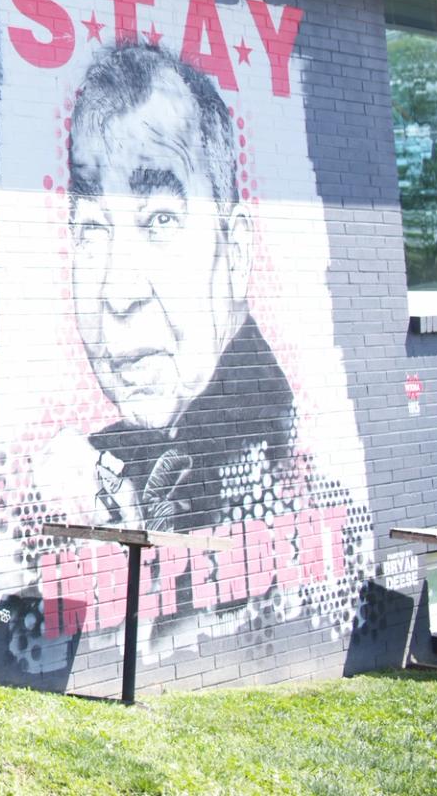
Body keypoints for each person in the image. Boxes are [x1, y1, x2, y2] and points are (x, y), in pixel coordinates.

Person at [56, 41, 295, 531]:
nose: (118, 294)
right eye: (93, 228)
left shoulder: (276, 463)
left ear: (236, 252)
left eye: (160, 219)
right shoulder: (113, 462)